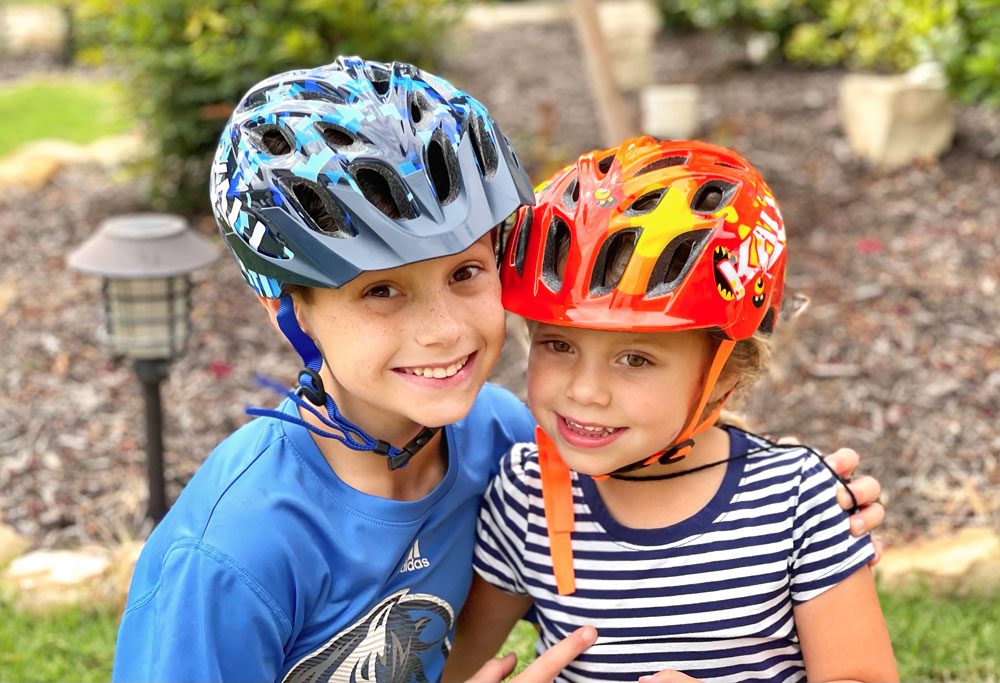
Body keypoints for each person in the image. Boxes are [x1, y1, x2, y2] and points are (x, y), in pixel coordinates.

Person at [112, 56, 885, 683]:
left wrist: (791, 490)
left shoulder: (501, 440)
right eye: (381, 290)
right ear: (289, 308)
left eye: (465, 273)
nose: (446, 331)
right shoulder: (232, 553)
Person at [445, 137, 897, 683]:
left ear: (726, 371)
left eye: (635, 359)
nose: (585, 391)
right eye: (558, 345)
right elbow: (453, 667)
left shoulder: (797, 502)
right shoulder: (525, 496)